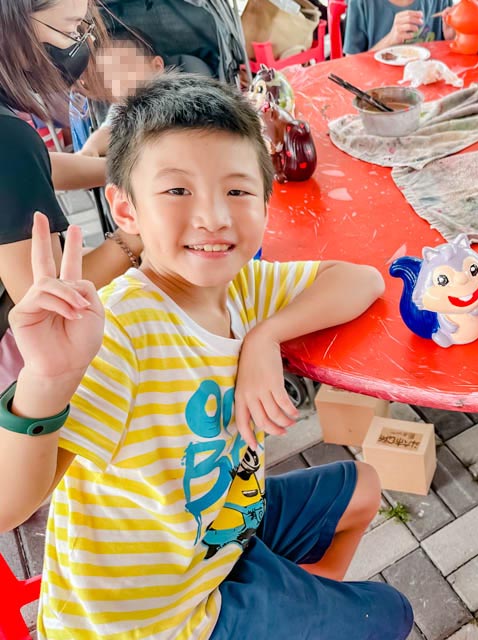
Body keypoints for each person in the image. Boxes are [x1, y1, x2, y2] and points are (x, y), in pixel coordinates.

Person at [0, 73, 413, 640]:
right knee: (388, 615)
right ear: (125, 210)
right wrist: (46, 381)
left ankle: (284, 604)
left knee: (364, 488)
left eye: (238, 191)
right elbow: (9, 506)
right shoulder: (120, 332)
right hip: (144, 622)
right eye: (177, 191)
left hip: (215, 543)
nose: (214, 217)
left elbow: (361, 280)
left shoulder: (239, 286)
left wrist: (265, 339)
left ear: (266, 202)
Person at [0, 0, 143, 389]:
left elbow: (37, 164)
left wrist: (125, 167)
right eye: (70, 28)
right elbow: (53, 303)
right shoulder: (8, 140)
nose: (78, 44)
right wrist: (144, 227)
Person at [79, 29, 164, 157]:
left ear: (156, 67)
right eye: (110, 77)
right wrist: (91, 148)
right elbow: (108, 131)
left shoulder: (180, 95)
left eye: (124, 70)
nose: (118, 82)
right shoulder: (121, 107)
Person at [343, 0, 454, 55]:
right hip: (378, 91)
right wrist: (390, 39)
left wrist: (452, 40)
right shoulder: (361, 3)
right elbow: (351, 66)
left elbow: (451, 62)